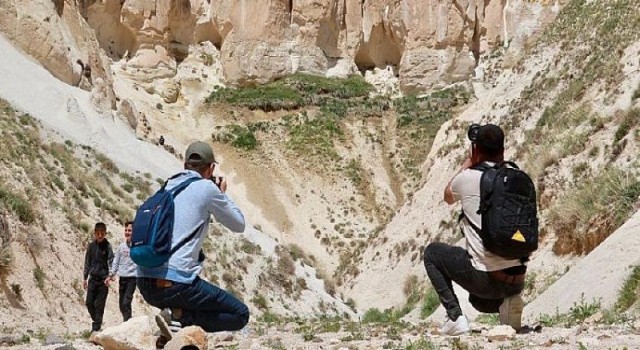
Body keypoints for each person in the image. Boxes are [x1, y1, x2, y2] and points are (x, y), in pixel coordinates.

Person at [136, 141, 248, 340]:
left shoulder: (167, 186)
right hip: (176, 285)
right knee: (240, 314)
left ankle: (173, 328)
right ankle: (180, 317)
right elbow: (239, 224)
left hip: (144, 283)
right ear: (211, 168)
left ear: (185, 164)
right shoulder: (206, 188)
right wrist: (221, 193)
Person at [423, 124, 527, 335]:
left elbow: (447, 196)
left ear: (476, 149)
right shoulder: (517, 176)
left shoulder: (468, 178)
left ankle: (454, 318)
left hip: (486, 282)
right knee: (477, 301)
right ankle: (507, 304)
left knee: (432, 253)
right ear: (503, 150)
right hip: (517, 281)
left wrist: (469, 162)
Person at [83, 222, 114, 332]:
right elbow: (87, 262)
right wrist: (85, 278)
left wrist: (110, 276)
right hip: (92, 279)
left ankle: (96, 328)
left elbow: (111, 261)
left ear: (105, 233)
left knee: (99, 306)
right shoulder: (91, 246)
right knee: (89, 303)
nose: (100, 235)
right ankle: (97, 321)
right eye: (98, 233)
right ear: (94, 233)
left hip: (103, 281)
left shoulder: (108, 246)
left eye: (102, 233)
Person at [109, 221, 137, 322]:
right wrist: (112, 274)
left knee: (126, 302)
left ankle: (127, 323)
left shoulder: (137, 247)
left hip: (132, 279)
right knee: (121, 304)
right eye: (126, 230)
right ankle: (128, 321)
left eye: (129, 230)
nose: (127, 232)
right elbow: (116, 261)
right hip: (122, 278)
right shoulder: (121, 247)